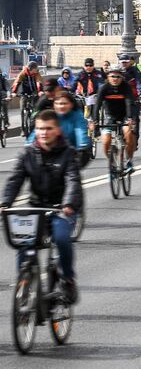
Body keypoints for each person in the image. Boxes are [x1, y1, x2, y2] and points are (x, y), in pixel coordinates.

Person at [1, 110, 83, 303]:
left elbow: (73, 181)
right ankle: (25, 282)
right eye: (39, 129)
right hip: (35, 209)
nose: (44, 133)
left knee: (62, 238)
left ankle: (68, 279)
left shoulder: (68, 153)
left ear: (57, 130)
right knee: (24, 243)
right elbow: (15, 180)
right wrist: (5, 203)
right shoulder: (27, 154)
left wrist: (69, 204)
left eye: (48, 128)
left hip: (61, 209)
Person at [32, 90, 92, 169]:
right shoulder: (50, 115)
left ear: (71, 104)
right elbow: (37, 131)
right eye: (57, 104)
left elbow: (81, 132)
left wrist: (82, 147)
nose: (61, 106)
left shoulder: (77, 116)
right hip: (54, 152)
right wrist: (29, 145)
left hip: (75, 152)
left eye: (64, 103)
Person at [94, 65, 137, 170]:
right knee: (106, 141)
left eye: (118, 77)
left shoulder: (126, 87)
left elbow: (129, 102)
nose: (115, 79)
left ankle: (129, 160)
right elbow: (97, 106)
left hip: (124, 116)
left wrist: (130, 118)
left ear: (122, 77)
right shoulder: (103, 88)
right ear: (108, 77)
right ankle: (111, 162)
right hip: (110, 117)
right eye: (112, 76)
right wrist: (95, 121)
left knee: (129, 134)